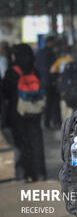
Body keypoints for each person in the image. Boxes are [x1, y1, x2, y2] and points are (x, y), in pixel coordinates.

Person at [2, 44, 46, 182]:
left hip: (17, 113)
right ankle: (39, 174)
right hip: (34, 111)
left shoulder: (12, 72)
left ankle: (22, 175)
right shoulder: (34, 70)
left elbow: (5, 93)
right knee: (36, 142)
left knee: (20, 144)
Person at [35, 36, 61, 129]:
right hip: (51, 81)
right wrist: (55, 79)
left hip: (42, 81)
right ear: (51, 42)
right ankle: (55, 121)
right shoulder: (51, 53)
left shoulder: (39, 52)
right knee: (54, 102)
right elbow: (52, 68)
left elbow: (36, 67)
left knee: (47, 102)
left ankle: (46, 122)